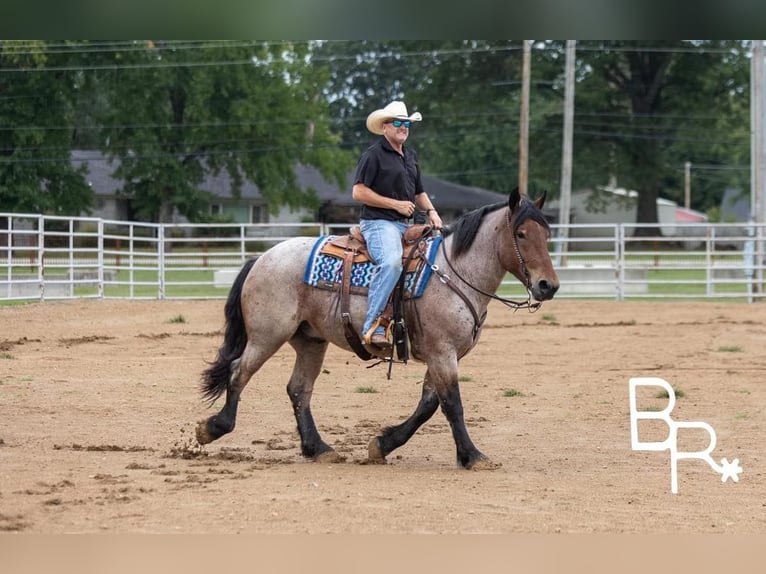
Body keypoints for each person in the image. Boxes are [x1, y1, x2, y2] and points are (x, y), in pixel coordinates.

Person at [352, 100, 443, 352]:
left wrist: (432, 212)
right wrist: (395, 205)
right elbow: (358, 191)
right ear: (385, 127)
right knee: (392, 262)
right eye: (399, 123)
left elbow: (419, 192)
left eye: (407, 124)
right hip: (379, 223)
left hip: (406, 225)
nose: (404, 128)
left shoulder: (410, 156)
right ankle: (373, 325)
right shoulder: (373, 155)